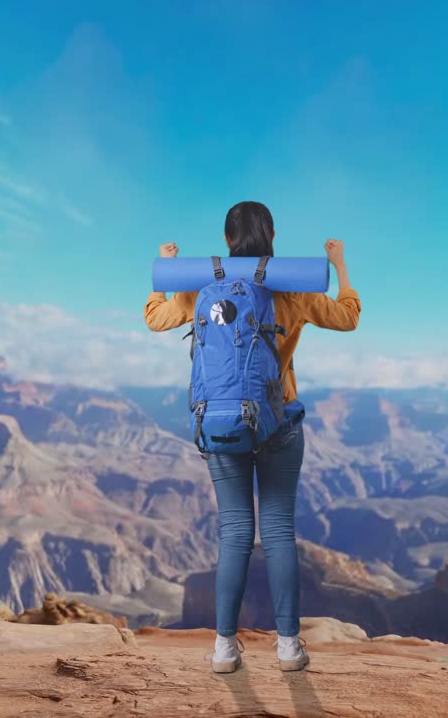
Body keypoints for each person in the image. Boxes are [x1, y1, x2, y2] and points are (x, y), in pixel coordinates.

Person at [143, 201, 361, 673]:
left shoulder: (203, 286)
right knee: (279, 533)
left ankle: (224, 648)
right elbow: (349, 317)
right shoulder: (292, 287)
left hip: (220, 423)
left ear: (226, 241)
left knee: (235, 533)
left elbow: (155, 318)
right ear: (273, 237)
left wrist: (163, 269)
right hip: (279, 424)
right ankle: (287, 647)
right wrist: (340, 265)